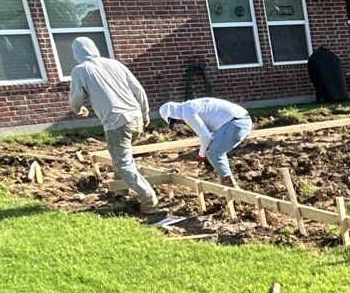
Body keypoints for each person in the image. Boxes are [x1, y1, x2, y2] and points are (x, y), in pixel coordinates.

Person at [65, 36, 157, 209]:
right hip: (135, 117)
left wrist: (78, 109)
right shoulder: (115, 64)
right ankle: (120, 191)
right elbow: (138, 89)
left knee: (123, 163)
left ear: (77, 53)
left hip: (116, 122)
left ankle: (149, 201)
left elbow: (76, 97)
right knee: (119, 155)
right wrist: (145, 113)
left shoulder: (81, 70)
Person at [159, 96, 253, 179]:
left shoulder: (186, 112)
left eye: (174, 121)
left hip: (236, 123)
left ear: (173, 115)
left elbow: (205, 138)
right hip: (238, 121)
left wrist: (201, 155)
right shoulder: (189, 106)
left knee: (214, 152)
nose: (178, 123)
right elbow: (208, 137)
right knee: (210, 148)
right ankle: (212, 173)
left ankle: (229, 182)